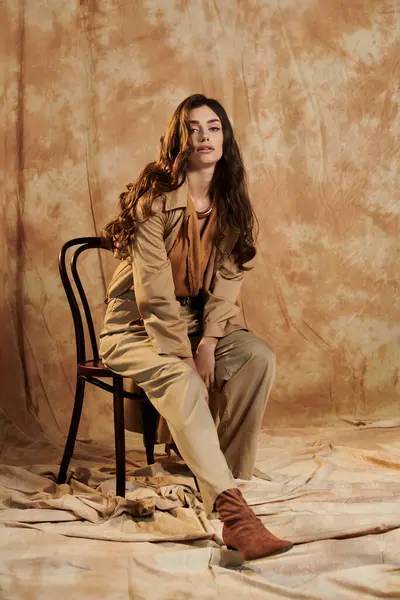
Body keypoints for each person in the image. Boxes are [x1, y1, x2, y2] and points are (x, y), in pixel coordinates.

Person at [99, 93, 293, 560]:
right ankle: (234, 517)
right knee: (182, 378)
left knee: (257, 356)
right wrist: (186, 353)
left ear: (225, 138)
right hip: (135, 328)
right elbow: (152, 293)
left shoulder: (230, 204)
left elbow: (228, 282)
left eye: (213, 127)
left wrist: (207, 341)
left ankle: (215, 473)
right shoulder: (152, 203)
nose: (203, 136)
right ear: (178, 138)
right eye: (193, 127)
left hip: (194, 324)